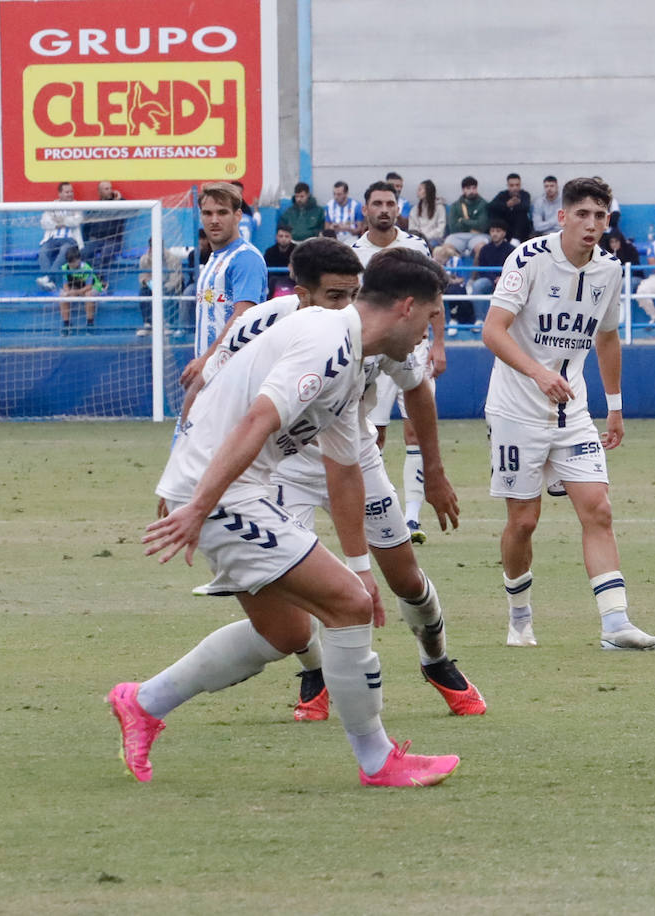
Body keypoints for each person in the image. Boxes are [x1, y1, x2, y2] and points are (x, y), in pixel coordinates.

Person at [110, 246, 460, 788]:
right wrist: (199, 506)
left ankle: (142, 702)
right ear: (407, 308)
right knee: (346, 607)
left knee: (285, 631)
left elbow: (345, 469)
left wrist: (361, 568)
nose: (428, 335)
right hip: (223, 492)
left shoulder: (352, 360)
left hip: (236, 490)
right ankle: (378, 760)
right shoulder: (326, 341)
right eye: (431, 317)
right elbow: (256, 420)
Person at [195, 239, 483, 720]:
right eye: (333, 295)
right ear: (302, 294)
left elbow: (417, 391)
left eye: (351, 293)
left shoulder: (373, 330)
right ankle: (315, 672)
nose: (345, 305)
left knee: (406, 579)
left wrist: (433, 473)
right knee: (295, 589)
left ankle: (436, 660)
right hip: (283, 467)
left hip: (357, 459)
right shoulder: (264, 323)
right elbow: (209, 385)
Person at [482, 176, 655, 651]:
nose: (591, 224)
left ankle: (615, 625)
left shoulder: (611, 269)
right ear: (562, 216)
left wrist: (615, 407)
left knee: (598, 509)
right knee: (523, 522)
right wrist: (538, 374)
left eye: (600, 216)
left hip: (573, 413)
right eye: (582, 214)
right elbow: (493, 331)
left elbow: (607, 337)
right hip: (516, 411)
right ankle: (519, 618)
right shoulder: (527, 258)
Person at [352, 181, 446, 543]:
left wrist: (438, 343)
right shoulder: (353, 253)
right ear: (365, 210)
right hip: (373, 353)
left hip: (413, 348)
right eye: (377, 203)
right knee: (373, 436)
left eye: (390, 203)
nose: (384, 210)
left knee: (414, 430)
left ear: (398, 208)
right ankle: (375, 510)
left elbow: (434, 296)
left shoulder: (415, 246)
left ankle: (411, 517)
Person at [180, 182, 268, 390]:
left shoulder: (245, 258)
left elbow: (244, 317)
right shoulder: (214, 259)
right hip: (212, 375)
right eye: (207, 213)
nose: (214, 220)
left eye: (222, 212)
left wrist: (206, 360)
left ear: (237, 216)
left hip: (235, 376)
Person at [37, 182, 83, 290]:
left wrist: (59, 221)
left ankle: (48, 278)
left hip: (70, 239)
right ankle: (49, 282)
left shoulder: (77, 205)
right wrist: (63, 222)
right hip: (52, 239)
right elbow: (44, 223)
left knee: (64, 251)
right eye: (67, 192)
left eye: (71, 192)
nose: (70, 194)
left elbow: (77, 221)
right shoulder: (52, 206)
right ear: (60, 194)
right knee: (43, 251)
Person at [81, 180, 127, 290]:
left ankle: (99, 281)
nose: (110, 191)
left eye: (110, 188)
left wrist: (120, 199)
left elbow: (130, 209)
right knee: (83, 253)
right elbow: (87, 226)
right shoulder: (95, 207)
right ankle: (98, 278)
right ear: (100, 192)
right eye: (106, 189)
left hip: (113, 240)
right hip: (97, 240)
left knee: (105, 255)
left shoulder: (118, 205)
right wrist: (88, 239)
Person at [137, 237, 184, 338]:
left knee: (172, 292)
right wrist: (149, 283)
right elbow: (142, 278)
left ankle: (169, 324)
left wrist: (163, 288)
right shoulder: (144, 260)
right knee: (143, 292)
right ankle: (148, 324)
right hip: (153, 286)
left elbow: (176, 279)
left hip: (169, 285)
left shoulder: (173, 259)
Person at [57, 245, 103, 334]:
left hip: (92, 287)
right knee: (63, 296)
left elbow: (89, 286)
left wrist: (76, 292)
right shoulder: (65, 268)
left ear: (79, 259)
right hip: (77, 287)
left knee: (88, 295)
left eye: (74, 262)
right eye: (70, 263)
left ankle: (90, 324)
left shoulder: (86, 268)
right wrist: (68, 293)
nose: (72, 265)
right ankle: (66, 324)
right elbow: (65, 286)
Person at [444, 176, 490, 258]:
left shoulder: (483, 204)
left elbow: (482, 226)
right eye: (468, 188)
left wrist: (463, 221)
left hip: (479, 236)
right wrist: (473, 224)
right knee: (445, 250)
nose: (471, 191)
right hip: (458, 236)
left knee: (482, 249)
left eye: (474, 188)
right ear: (463, 190)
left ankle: (476, 267)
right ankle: (456, 265)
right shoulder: (455, 206)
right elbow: (453, 228)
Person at [471, 220, 514, 298]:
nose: (494, 234)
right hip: (489, 280)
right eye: (492, 231)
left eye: (498, 231)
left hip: (507, 280)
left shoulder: (511, 249)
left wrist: (502, 278)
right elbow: (482, 269)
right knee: (477, 285)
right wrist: (494, 278)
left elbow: (513, 268)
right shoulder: (484, 249)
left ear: (504, 233)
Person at [488, 173, 533, 243]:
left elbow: (526, 206)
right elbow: (491, 206)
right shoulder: (502, 194)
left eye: (517, 185)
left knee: (521, 215)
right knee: (496, 212)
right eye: (512, 185)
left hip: (520, 230)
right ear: (508, 186)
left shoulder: (525, 194)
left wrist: (515, 204)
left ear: (520, 185)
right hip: (505, 226)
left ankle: (515, 240)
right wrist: (506, 205)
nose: (515, 188)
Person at [408, 180, 446, 248]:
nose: (417, 192)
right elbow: (411, 228)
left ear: (428, 191)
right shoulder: (415, 209)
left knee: (427, 245)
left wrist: (425, 236)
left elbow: (440, 230)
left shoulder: (440, 208)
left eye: (420, 189)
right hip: (418, 239)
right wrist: (419, 236)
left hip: (434, 239)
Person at [264, 226, 297, 297]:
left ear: (291, 237)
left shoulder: (297, 251)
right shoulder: (269, 252)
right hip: (273, 281)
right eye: (281, 236)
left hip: (293, 280)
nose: (283, 239)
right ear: (276, 237)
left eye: (286, 236)